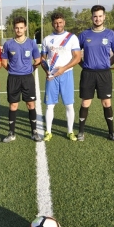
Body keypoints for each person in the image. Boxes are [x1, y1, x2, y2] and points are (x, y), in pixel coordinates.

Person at [77, 5, 114, 142]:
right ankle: (81, 132)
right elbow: (76, 54)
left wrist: (108, 63)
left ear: (104, 17)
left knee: (106, 102)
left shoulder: (110, 34)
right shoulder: (84, 35)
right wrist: (82, 63)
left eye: (100, 16)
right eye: (95, 16)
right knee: (85, 102)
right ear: (91, 17)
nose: (97, 19)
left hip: (104, 74)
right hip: (88, 73)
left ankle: (111, 132)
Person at [41, 12, 81, 142]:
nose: (58, 25)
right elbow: (43, 58)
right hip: (52, 76)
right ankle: (48, 132)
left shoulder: (72, 37)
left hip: (66, 75)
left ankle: (70, 131)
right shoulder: (47, 39)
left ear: (64, 22)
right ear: (52, 24)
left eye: (60, 22)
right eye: (55, 23)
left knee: (69, 105)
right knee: (50, 105)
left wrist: (63, 69)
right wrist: (47, 70)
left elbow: (77, 57)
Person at [1, 16, 42, 143]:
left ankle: (34, 132)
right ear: (14, 28)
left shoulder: (31, 43)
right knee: (13, 105)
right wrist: (12, 70)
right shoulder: (8, 44)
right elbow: (3, 61)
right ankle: (11, 132)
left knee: (30, 104)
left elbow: (38, 60)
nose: (19, 30)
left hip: (27, 78)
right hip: (13, 78)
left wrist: (30, 70)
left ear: (25, 28)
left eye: (21, 28)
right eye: (16, 28)